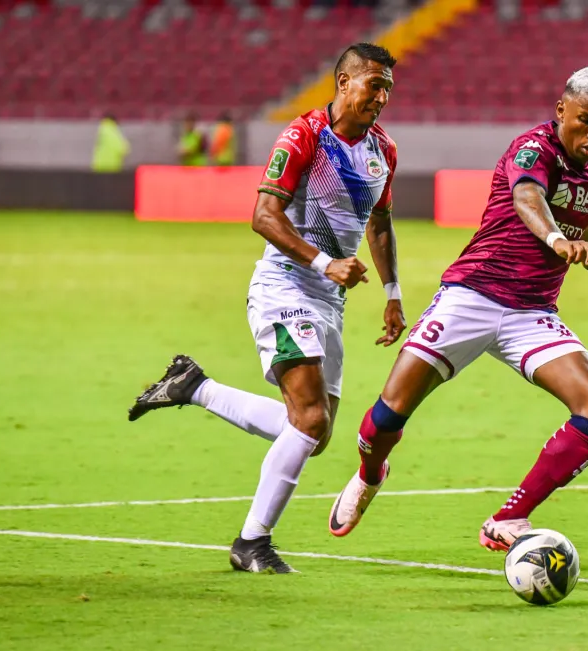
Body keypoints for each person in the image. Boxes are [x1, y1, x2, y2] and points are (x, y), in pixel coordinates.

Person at [127, 43, 403, 574]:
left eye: (388, 86)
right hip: (285, 286)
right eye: (374, 83)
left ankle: (194, 387)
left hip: (330, 299)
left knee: (313, 434)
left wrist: (392, 295)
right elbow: (263, 215)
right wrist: (326, 263)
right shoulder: (303, 135)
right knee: (310, 420)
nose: (382, 96)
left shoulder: (383, 151)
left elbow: (381, 223)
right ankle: (252, 542)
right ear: (343, 83)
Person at [326, 67, 588, 553]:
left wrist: (585, 246)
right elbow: (528, 197)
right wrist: (557, 239)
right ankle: (369, 473)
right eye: (585, 120)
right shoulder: (533, 149)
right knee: (389, 414)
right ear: (560, 109)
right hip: (473, 296)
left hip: (532, 312)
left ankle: (510, 518)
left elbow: (570, 228)